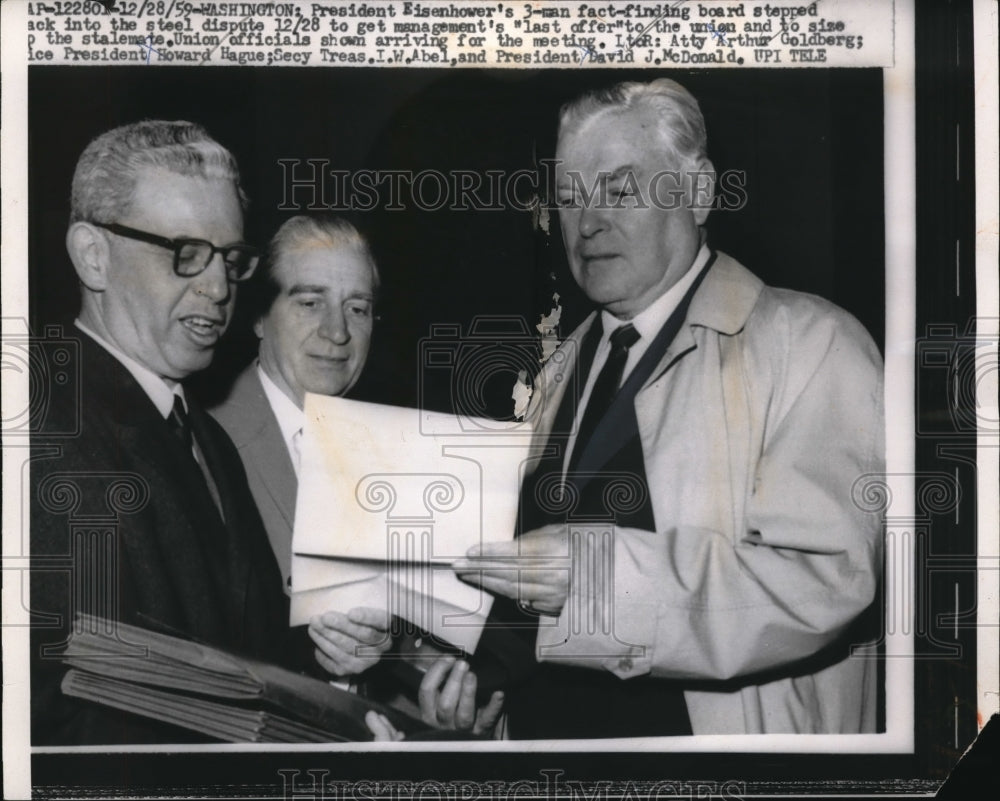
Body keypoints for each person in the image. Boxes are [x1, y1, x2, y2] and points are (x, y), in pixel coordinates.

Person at [454, 78, 885, 737]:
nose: (588, 221)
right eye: (569, 197)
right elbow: (534, 587)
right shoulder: (556, 370)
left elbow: (821, 581)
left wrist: (598, 577)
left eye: (619, 190)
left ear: (698, 191)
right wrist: (487, 672)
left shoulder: (811, 343)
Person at [30, 120, 291, 744]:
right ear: (94, 254)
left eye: (231, 259)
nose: (220, 287)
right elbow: (53, 704)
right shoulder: (41, 430)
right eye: (186, 254)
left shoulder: (207, 437)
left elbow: (241, 652)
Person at [210, 215, 504, 736]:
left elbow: (405, 656)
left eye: (358, 308)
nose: (338, 331)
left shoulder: (394, 451)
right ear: (258, 316)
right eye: (309, 301)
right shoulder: (206, 446)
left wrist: (443, 714)